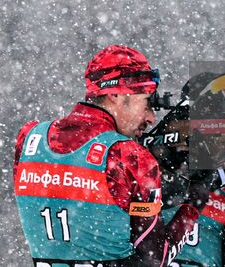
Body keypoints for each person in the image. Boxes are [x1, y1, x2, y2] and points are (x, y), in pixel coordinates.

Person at [14, 45, 208, 266]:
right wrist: (194, 203)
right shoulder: (128, 156)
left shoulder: (30, 138)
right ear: (115, 94)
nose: (151, 118)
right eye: (146, 101)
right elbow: (156, 260)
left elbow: (75, 204)